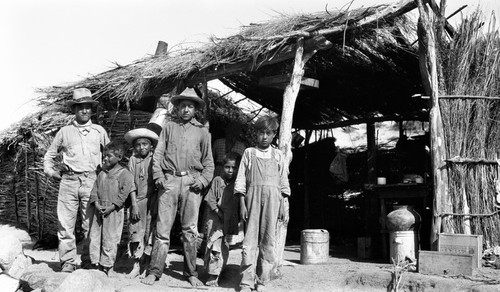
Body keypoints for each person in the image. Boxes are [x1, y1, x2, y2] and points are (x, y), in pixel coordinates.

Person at [141, 88, 214, 287]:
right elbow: (158, 155)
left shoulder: (202, 132)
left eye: (190, 106)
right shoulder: (169, 127)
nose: (186, 110)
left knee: (190, 230)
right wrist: (158, 176)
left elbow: (209, 163)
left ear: (196, 109)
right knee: (162, 230)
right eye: (183, 106)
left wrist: (203, 180)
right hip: (170, 181)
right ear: (178, 107)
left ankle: (191, 273)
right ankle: (154, 271)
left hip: (191, 183)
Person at [43, 88, 110, 273]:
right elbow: (49, 155)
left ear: (91, 109)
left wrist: (105, 177)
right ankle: (67, 262)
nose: (85, 111)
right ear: (74, 109)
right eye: (80, 107)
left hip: (92, 180)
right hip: (69, 181)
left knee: (90, 224)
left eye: (88, 107)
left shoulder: (99, 131)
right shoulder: (65, 132)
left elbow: (110, 155)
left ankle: (88, 261)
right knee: (65, 224)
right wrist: (51, 172)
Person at [234, 115, 291, 292]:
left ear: (274, 135)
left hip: (273, 201)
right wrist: (242, 203)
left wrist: (283, 204)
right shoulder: (249, 153)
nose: (264, 137)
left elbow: (283, 182)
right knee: (250, 241)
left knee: (268, 241)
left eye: (268, 133)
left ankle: (262, 280)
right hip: (252, 200)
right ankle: (246, 281)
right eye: (261, 133)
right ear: (256, 133)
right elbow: (241, 180)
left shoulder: (278, 155)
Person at [123, 112, 165, 279]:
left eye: (145, 144)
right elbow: (131, 183)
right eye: (138, 145)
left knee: (150, 232)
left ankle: (147, 264)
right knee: (135, 232)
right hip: (137, 201)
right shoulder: (132, 161)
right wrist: (133, 203)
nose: (142, 148)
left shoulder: (155, 159)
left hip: (152, 200)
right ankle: (135, 265)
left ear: (151, 146)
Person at [88, 140, 134, 275]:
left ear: (119, 158)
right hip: (99, 210)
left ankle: (108, 266)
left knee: (110, 238)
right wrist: (96, 203)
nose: (105, 158)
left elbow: (123, 194)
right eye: (105, 156)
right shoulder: (102, 174)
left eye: (109, 156)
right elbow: (94, 190)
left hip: (113, 211)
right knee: (95, 237)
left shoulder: (124, 174)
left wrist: (112, 207)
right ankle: (96, 264)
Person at [204, 152, 241, 287]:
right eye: (227, 167)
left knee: (223, 246)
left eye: (234, 167)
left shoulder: (239, 184)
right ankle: (213, 274)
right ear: (223, 167)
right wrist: (218, 212)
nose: (230, 170)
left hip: (229, 220)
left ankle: (219, 270)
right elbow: (210, 199)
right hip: (215, 219)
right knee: (214, 245)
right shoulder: (217, 180)